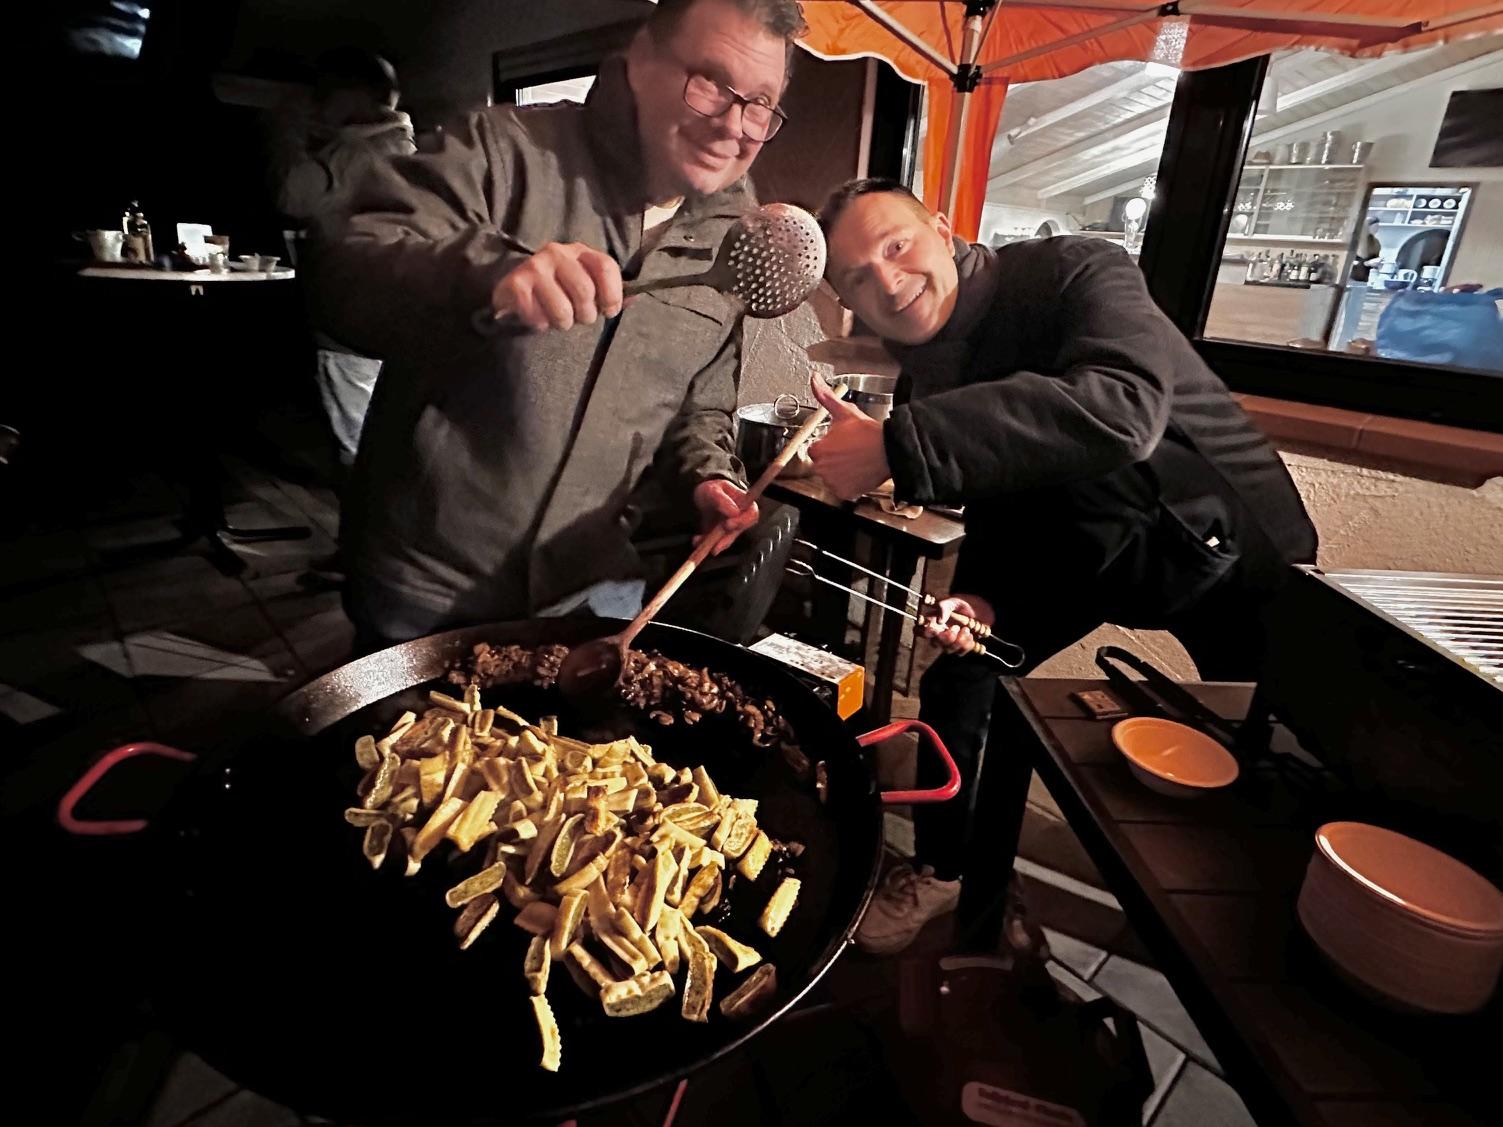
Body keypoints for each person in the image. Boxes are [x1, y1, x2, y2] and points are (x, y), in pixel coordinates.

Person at [808, 178, 1318, 955]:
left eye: (896, 244)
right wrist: (980, 599)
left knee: (1272, 750)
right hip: (1084, 545)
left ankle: (1270, 929)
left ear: (942, 230)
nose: (886, 278)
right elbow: (999, 494)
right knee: (960, 678)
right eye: (855, 276)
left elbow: (1122, 408)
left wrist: (894, 444)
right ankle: (946, 869)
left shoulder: (1076, 269)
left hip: (1224, 539)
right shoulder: (927, 368)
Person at [310, 0, 806, 651]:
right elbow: (344, 269)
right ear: (641, 59)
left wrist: (708, 476)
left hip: (589, 592)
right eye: (711, 82)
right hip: (429, 587)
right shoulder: (503, 151)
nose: (731, 126)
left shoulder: (735, 233)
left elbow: (700, 402)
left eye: (760, 103)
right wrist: (488, 274)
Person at [270, 48, 417, 469]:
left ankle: (362, 502)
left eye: (325, 95)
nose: (319, 106)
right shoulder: (406, 146)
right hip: (395, 309)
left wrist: (285, 131)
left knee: (358, 442)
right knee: (389, 429)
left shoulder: (355, 155)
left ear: (353, 97)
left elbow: (291, 196)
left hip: (352, 315)